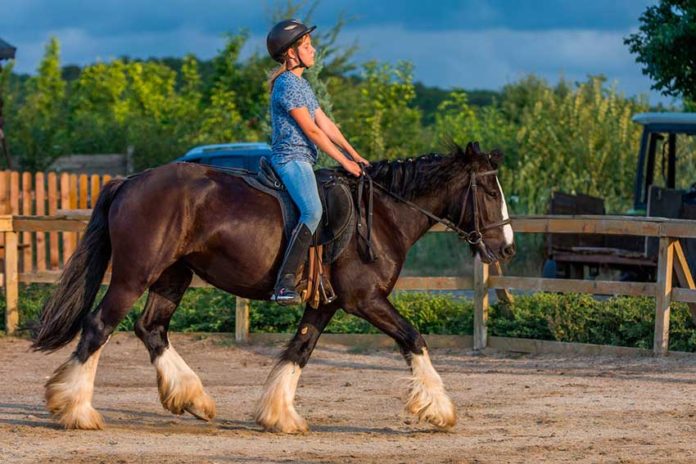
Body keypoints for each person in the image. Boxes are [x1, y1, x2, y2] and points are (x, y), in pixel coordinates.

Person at [266, 19, 369, 305]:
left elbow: (326, 125)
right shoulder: (287, 84)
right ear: (291, 54)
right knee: (312, 212)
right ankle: (284, 283)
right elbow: (311, 130)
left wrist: (354, 154)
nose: (314, 51)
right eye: (308, 46)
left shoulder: (302, 85)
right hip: (290, 158)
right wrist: (344, 163)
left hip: (304, 159)